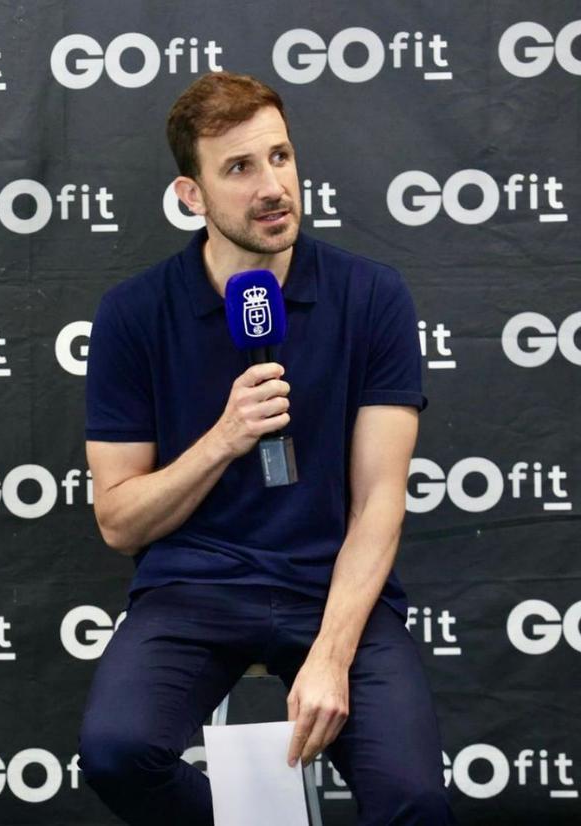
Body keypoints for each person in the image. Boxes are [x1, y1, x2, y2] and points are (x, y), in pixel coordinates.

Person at [77, 72, 455, 825]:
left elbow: (381, 496)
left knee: (412, 800)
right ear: (192, 196)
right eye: (240, 168)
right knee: (117, 751)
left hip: (335, 589)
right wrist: (224, 439)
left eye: (280, 158)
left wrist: (333, 654)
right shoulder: (133, 314)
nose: (272, 186)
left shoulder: (372, 295)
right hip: (195, 588)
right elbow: (119, 522)